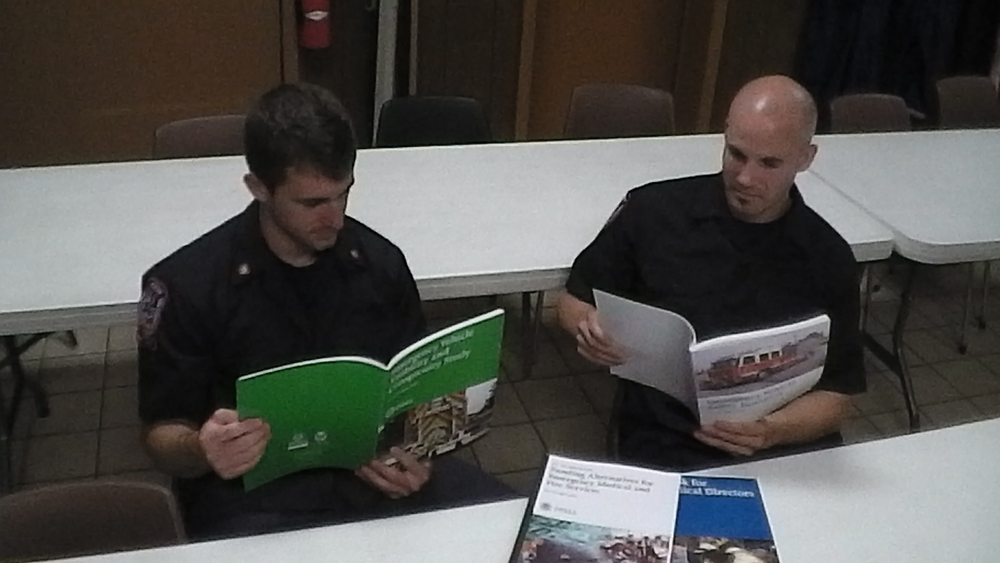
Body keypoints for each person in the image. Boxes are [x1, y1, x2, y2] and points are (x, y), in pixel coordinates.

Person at [138, 83, 510, 540]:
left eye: (343, 194)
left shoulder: (379, 263)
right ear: (258, 188)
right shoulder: (189, 284)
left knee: (512, 526)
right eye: (312, 203)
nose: (334, 218)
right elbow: (160, 435)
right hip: (253, 497)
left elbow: (419, 394)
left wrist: (419, 458)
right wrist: (201, 448)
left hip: (372, 477)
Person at [556, 75, 865, 471]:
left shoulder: (828, 256)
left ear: (805, 158)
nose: (746, 178)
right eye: (736, 154)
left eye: (770, 163)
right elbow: (573, 299)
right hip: (666, 442)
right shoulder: (654, 212)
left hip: (778, 449)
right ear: (724, 136)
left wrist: (772, 430)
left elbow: (839, 394)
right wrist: (588, 327)